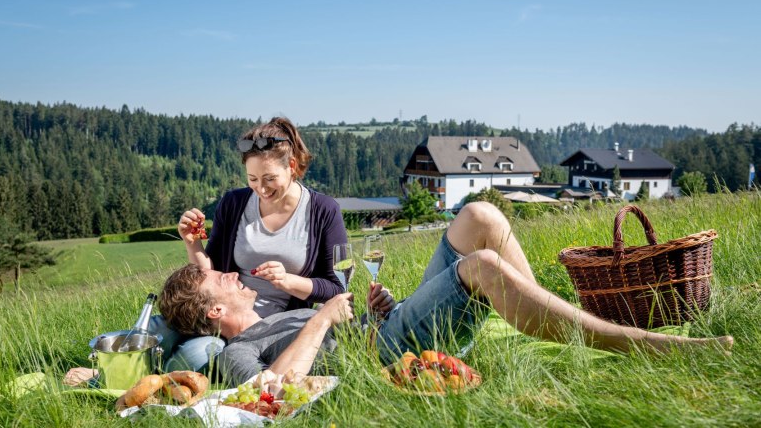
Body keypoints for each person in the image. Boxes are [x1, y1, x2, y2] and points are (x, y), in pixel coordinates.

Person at [157, 202, 734, 386]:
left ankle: (561, 318)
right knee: (482, 264)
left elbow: (334, 318)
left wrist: (359, 310)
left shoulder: (265, 303)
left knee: (480, 217)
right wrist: (325, 317)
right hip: (386, 350)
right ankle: (643, 345)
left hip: (388, 322)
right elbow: (276, 389)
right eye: (220, 279)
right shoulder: (235, 355)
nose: (234, 274)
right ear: (212, 310)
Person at [151, 117, 348, 373]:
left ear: (291, 166)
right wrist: (193, 244)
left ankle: (157, 377)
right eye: (252, 179)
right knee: (158, 326)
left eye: (269, 178)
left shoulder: (323, 210)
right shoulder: (234, 203)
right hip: (223, 311)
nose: (261, 189)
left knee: (200, 355)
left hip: (270, 325)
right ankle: (104, 371)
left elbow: (338, 287)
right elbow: (214, 273)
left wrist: (288, 281)